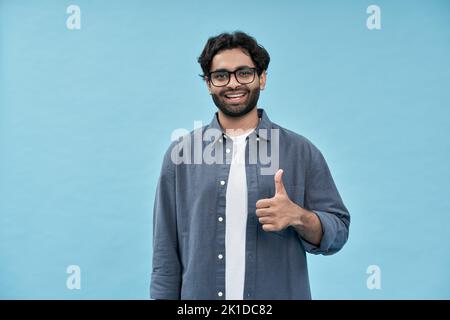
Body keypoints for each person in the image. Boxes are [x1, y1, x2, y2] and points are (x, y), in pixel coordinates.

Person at [150, 31, 350, 300]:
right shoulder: (181, 155)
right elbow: (165, 253)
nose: (233, 84)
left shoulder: (300, 151)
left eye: (244, 73)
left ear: (262, 78)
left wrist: (299, 217)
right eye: (221, 76)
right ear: (209, 84)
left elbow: (337, 232)